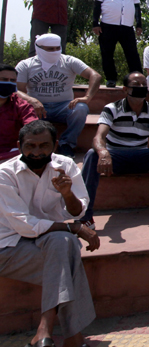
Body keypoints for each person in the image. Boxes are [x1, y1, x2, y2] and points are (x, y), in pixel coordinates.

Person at [0, 120, 99, 347]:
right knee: (67, 249)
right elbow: (25, 226)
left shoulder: (64, 166)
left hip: (48, 243)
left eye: (43, 146)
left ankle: (43, 332)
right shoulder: (4, 174)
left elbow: (79, 209)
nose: (36, 152)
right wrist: (73, 227)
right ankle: (72, 337)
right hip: (7, 248)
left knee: (63, 244)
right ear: (19, 145)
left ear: (54, 145)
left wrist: (66, 194)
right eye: (30, 146)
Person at [81, 72, 149, 228]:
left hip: (141, 156)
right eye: (136, 84)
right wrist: (103, 152)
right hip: (116, 158)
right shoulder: (112, 108)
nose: (141, 87)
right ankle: (85, 216)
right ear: (125, 89)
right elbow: (98, 137)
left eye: (143, 84)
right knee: (92, 154)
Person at [16, 34, 102, 158]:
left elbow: (95, 75)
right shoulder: (26, 65)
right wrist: (31, 100)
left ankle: (66, 144)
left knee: (81, 109)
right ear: (39, 48)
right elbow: (18, 90)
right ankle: (34, 146)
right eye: (50, 49)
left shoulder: (69, 61)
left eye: (57, 48)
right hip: (38, 108)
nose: (54, 52)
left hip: (64, 106)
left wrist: (87, 97)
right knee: (24, 110)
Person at [92, 0, 143, 87]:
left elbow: (137, 7)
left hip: (127, 26)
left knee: (132, 54)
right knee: (107, 53)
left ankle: (138, 79)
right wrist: (95, 23)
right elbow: (97, 5)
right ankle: (111, 79)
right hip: (108, 25)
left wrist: (139, 24)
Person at [0, 64, 37, 163]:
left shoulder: (22, 106)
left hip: (11, 156)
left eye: (12, 81)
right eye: (4, 79)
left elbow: (33, 128)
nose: (8, 83)